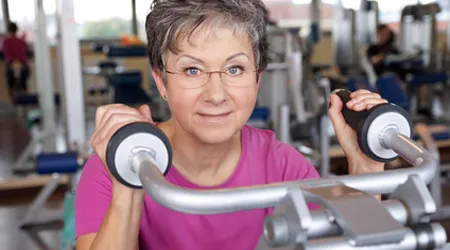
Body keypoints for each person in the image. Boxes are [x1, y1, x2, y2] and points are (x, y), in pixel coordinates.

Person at [75, 1, 388, 249]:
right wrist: (128, 185)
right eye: (193, 70)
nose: (215, 96)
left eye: (235, 69)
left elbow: (350, 241)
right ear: (161, 81)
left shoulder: (284, 167)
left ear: (257, 78)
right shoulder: (111, 168)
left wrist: (367, 172)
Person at [3, 22, 30, 102]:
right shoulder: (22, 41)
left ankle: (13, 101)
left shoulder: (5, 42)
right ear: (16, 30)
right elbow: (26, 52)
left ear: (8, 30)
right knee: (24, 83)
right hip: (22, 65)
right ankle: (25, 98)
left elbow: (5, 54)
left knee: (10, 85)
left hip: (11, 66)